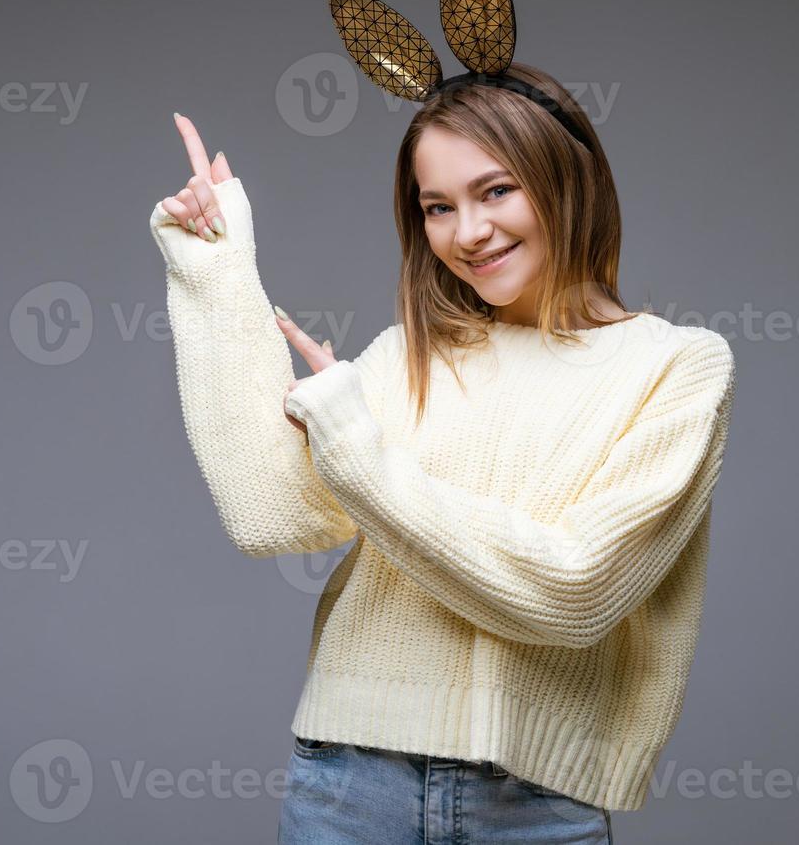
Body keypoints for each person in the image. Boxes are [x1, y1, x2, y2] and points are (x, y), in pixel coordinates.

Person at [148, 59, 737, 843]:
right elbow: (271, 514)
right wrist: (216, 269)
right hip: (349, 786)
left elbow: (575, 591)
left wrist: (356, 445)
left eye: (496, 191)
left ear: (567, 177)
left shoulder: (677, 368)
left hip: (535, 805)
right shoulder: (410, 355)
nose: (468, 233)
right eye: (437, 207)